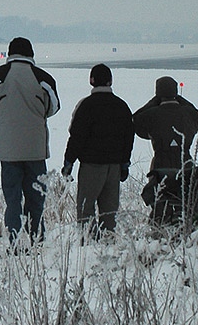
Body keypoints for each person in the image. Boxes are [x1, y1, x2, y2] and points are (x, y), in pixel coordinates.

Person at [0, 37, 60, 246]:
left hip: (8, 150)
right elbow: (54, 108)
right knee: (36, 199)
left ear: (9, 53)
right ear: (31, 54)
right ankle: (36, 238)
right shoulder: (44, 78)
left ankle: (14, 239)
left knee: (12, 200)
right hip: (36, 149)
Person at [60, 64, 134, 239]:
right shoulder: (122, 106)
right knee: (109, 213)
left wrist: (69, 161)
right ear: (110, 81)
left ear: (91, 80)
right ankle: (108, 245)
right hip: (114, 166)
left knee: (86, 208)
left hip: (91, 166)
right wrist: (124, 163)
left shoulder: (86, 105)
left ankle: (87, 245)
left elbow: (76, 136)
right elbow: (128, 138)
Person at [132, 76, 198, 227]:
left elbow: (135, 121)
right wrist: (181, 100)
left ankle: (161, 229)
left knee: (161, 201)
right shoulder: (188, 113)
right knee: (187, 200)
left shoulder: (153, 113)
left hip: (161, 163)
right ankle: (188, 229)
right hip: (186, 162)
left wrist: (153, 102)